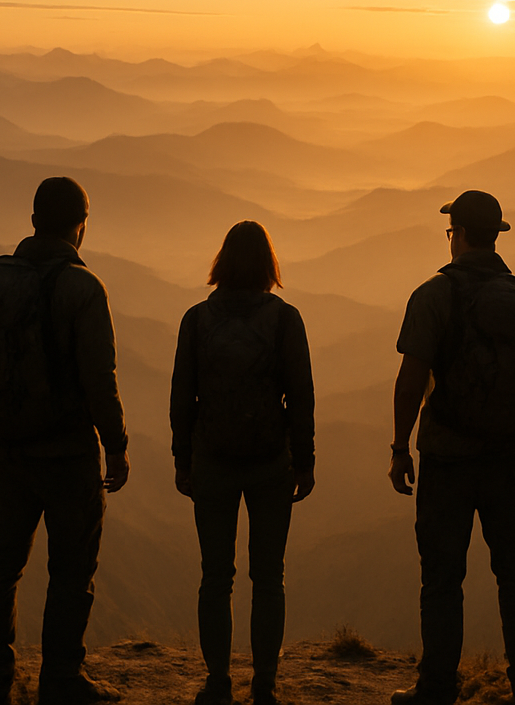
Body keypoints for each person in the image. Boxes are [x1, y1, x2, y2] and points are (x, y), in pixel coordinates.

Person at [0, 177, 130, 705]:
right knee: (71, 568)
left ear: (34, 220)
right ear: (81, 225)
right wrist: (117, 445)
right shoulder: (83, 288)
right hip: (66, 454)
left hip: (8, 449)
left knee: (2, 562)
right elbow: (99, 380)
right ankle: (60, 680)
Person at [387, 190, 515, 705]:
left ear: (457, 233)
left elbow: (412, 378)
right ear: (497, 234)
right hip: (508, 457)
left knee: (442, 578)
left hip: (448, 456)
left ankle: (436, 688)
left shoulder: (435, 295)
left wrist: (399, 447)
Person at [171, 221, 316, 705]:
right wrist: (304, 460)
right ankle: (264, 682)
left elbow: (181, 396)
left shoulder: (196, 318)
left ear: (222, 262)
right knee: (268, 576)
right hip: (271, 459)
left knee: (215, 576)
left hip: (212, 458)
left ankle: (217, 680)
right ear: (268, 265)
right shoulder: (285, 318)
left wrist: (183, 458)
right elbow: (300, 396)